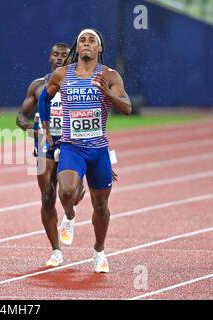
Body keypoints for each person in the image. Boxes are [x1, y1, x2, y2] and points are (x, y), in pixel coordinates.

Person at [39, 29, 132, 273]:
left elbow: (128, 108)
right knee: (66, 192)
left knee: (100, 205)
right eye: (82, 40)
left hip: (99, 150)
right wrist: (47, 129)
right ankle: (69, 216)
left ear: (99, 49)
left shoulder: (109, 75)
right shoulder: (62, 75)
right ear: (77, 48)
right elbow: (43, 99)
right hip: (72, 147)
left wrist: (108, 92)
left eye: (92, 41)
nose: (87, 44)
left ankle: (99, 251)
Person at [16, 43, 86, 267]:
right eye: (55, 54)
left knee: (72, 192)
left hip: (71, 144)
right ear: (50, 58)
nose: (59, 58)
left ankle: (70, 213)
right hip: (44, 145)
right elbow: (21, 116)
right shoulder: (38, 86)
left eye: (64, 56)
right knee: (47, 196)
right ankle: (56, 251)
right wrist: (32, 131)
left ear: (71, 59)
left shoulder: (78, 84)